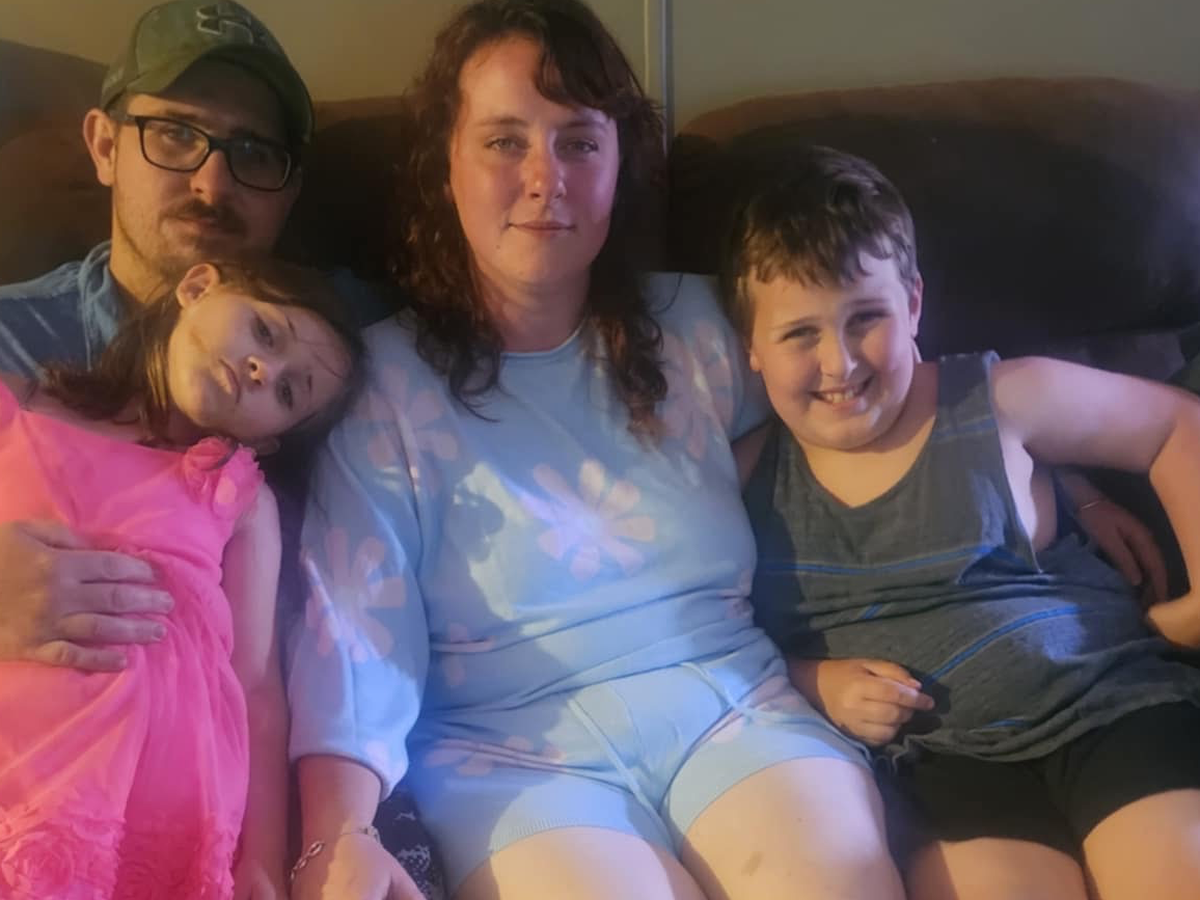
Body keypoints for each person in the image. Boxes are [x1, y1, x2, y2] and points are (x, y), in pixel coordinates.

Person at [285, 2, 910, 899]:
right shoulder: (378, 384)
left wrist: (1071, 491)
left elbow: (877, 393)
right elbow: (354, 637)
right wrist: (337, 833)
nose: (547, 178)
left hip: (731, 702)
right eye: (505, 141)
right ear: (444, 164)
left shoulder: (705, 325)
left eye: (579, 142)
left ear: (621, 164)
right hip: (505, 755)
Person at [0, 5, 440, 896]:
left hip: (274, 777)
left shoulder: (355, 337)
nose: (213, 180)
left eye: (253, 153)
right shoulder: (16, 346)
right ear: (103, 145)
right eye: (174, 134)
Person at [724, 145, 1200, 900]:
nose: (840, 364)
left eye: (867, 317)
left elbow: (1178, 424)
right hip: (941, 768)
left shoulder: (1000, 398)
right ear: (750, 345)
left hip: (1110, 709)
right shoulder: (742, 477)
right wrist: (811, 681)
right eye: (799, 334)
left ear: (914, 302)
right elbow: (691, 634)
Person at [0, 257, 363, 899]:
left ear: (270, 442)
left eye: (288, 392)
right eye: (265, 331)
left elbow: (257, 687)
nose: (263, 369)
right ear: (197, 287)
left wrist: (262, 858)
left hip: (158, 836)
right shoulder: (18, 409)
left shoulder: (240, 498)